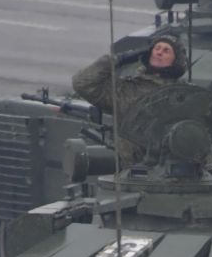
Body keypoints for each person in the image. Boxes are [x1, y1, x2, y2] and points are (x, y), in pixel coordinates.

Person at [71, 34, 188, 165]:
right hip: (130, 172)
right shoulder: (126, 90)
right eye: (157, 48)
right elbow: (83, 83)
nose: (159, 52)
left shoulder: (184, 95)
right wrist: (119, 59)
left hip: (173, 173)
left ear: (175, 60)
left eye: (166, 51)